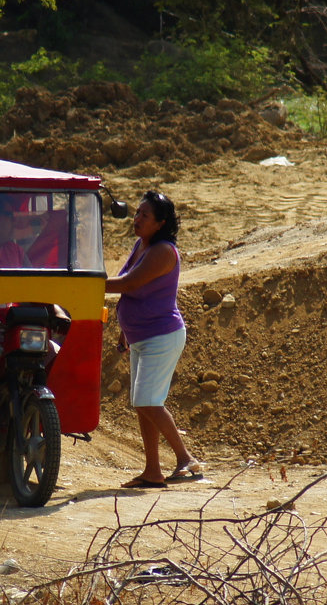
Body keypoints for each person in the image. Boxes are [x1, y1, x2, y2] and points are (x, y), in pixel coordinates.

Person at [105, 190, 202, 488]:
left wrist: (86, 282)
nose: (136, 219)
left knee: (147, 401)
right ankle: (152, 471)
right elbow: (130, 290)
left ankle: (186, 458)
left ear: (160, 223)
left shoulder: (163, 251)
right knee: (144, 405)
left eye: (144, 215)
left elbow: (129, 283)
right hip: (141, 337)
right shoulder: (141, 245)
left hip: (162, 336)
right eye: (136, 213)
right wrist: (124, 331)